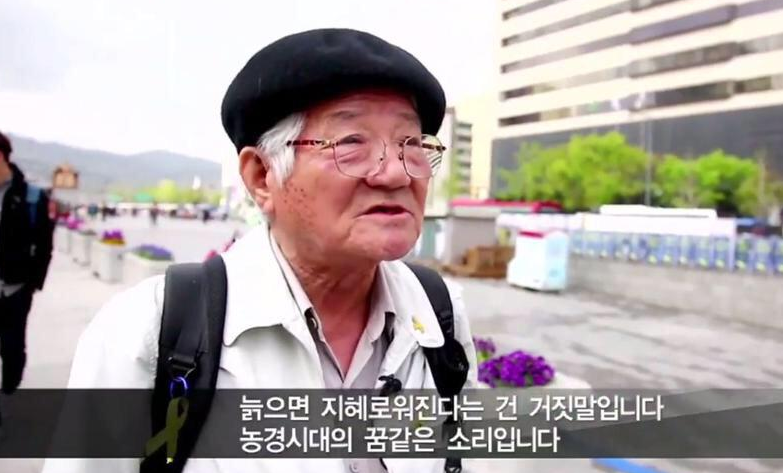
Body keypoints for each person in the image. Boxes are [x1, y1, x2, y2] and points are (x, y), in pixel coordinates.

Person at [43, 28, 477, 473]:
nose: (396, 174)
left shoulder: (439, 312)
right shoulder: (149, 330)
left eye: (411, 144)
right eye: (351, 143)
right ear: (261, 176)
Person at [0, 130, 54, 414]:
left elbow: (45, 244)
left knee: (12, 347)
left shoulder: (32, 196)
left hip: (16, 287)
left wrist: (33, 283)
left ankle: (9, 392)